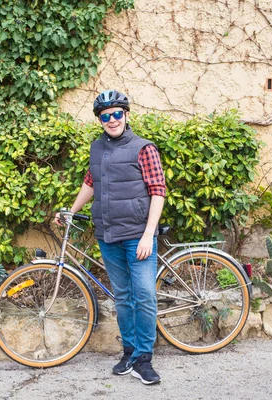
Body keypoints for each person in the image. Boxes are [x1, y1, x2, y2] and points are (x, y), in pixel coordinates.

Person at [55, 89, 166, 385]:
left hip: (137, 236)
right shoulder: (96, 148)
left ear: (126, 115)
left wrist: (147, 235)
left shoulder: (144, 148)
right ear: (100, 120)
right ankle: (129, 351)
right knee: (124, 297)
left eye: (117, 113)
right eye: (106, 116)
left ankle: (144, 358)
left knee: (144, 296)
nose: (112, 120)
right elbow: (91, 182)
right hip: (108, 235)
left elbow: (158, 192)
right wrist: (71, 209)